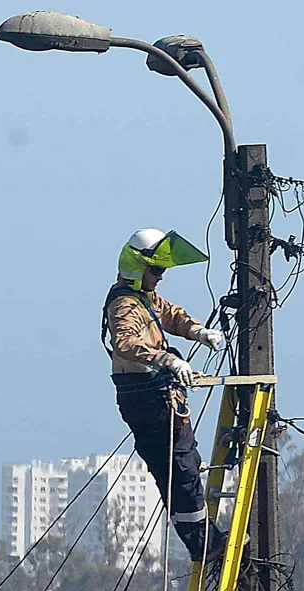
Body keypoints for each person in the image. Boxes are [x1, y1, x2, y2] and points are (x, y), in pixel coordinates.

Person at [102, 228, 228, 563]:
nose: (161, 277)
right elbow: (125, 343)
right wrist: (167, 360)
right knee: (180, 469)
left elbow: (170, 315)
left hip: (156, 396)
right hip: (148, 399)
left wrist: (197, 331)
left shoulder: (145, 298)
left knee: (183, 466)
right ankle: (203, 544)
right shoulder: (124, 304)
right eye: (156, 270)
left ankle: (206, 539)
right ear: (137, 267)